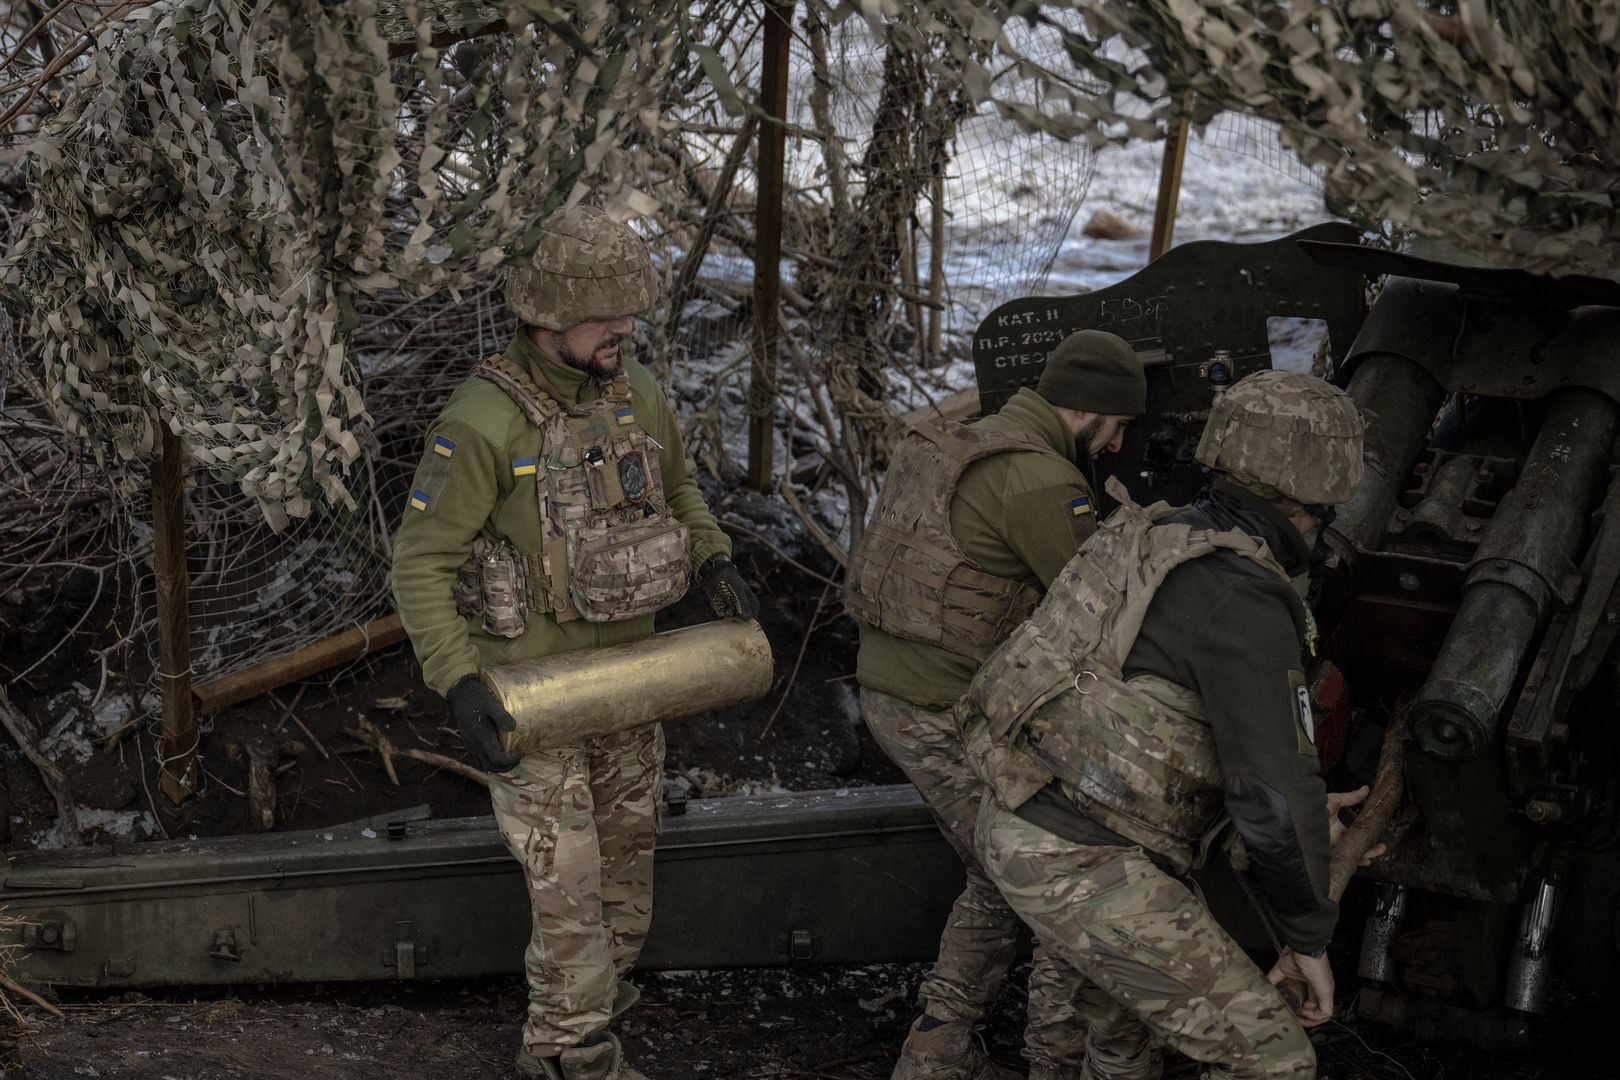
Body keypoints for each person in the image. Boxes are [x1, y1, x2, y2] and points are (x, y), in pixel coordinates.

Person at [392, 205, 758, 1080]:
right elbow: (418, 564)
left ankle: (587, 1019)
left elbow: (681, 492)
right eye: (606, 316)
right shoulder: (481, 424)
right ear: (548, 317)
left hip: (633, 686)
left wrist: (715, 561)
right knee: (571, 898)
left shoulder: (637, 396)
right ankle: (570, 1057)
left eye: (631, 312)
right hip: (536, 702)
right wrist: (459, 683)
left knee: (627, 892)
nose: (624, 331)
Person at [957, 368, 1368, 1080]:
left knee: (1125, 1044)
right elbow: (1272, 794)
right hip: (1081, 859)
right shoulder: (1246, 597)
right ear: (1308, 504)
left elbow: (1158, 712)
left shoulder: (1151, 534)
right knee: (1271, 1061)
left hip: (1025, 811)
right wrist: (1308, 938)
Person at [845, 330, 1148, 1080]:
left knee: (995, 873)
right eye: (1118, 428)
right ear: (1090, 413)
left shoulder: (952, 437)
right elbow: (1101, 617)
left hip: (893, 690)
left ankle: (938, 1044)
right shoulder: (1044, 483)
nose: (1116, 447)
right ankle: (1054, 1057)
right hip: (945, 707)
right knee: (1053, 878)